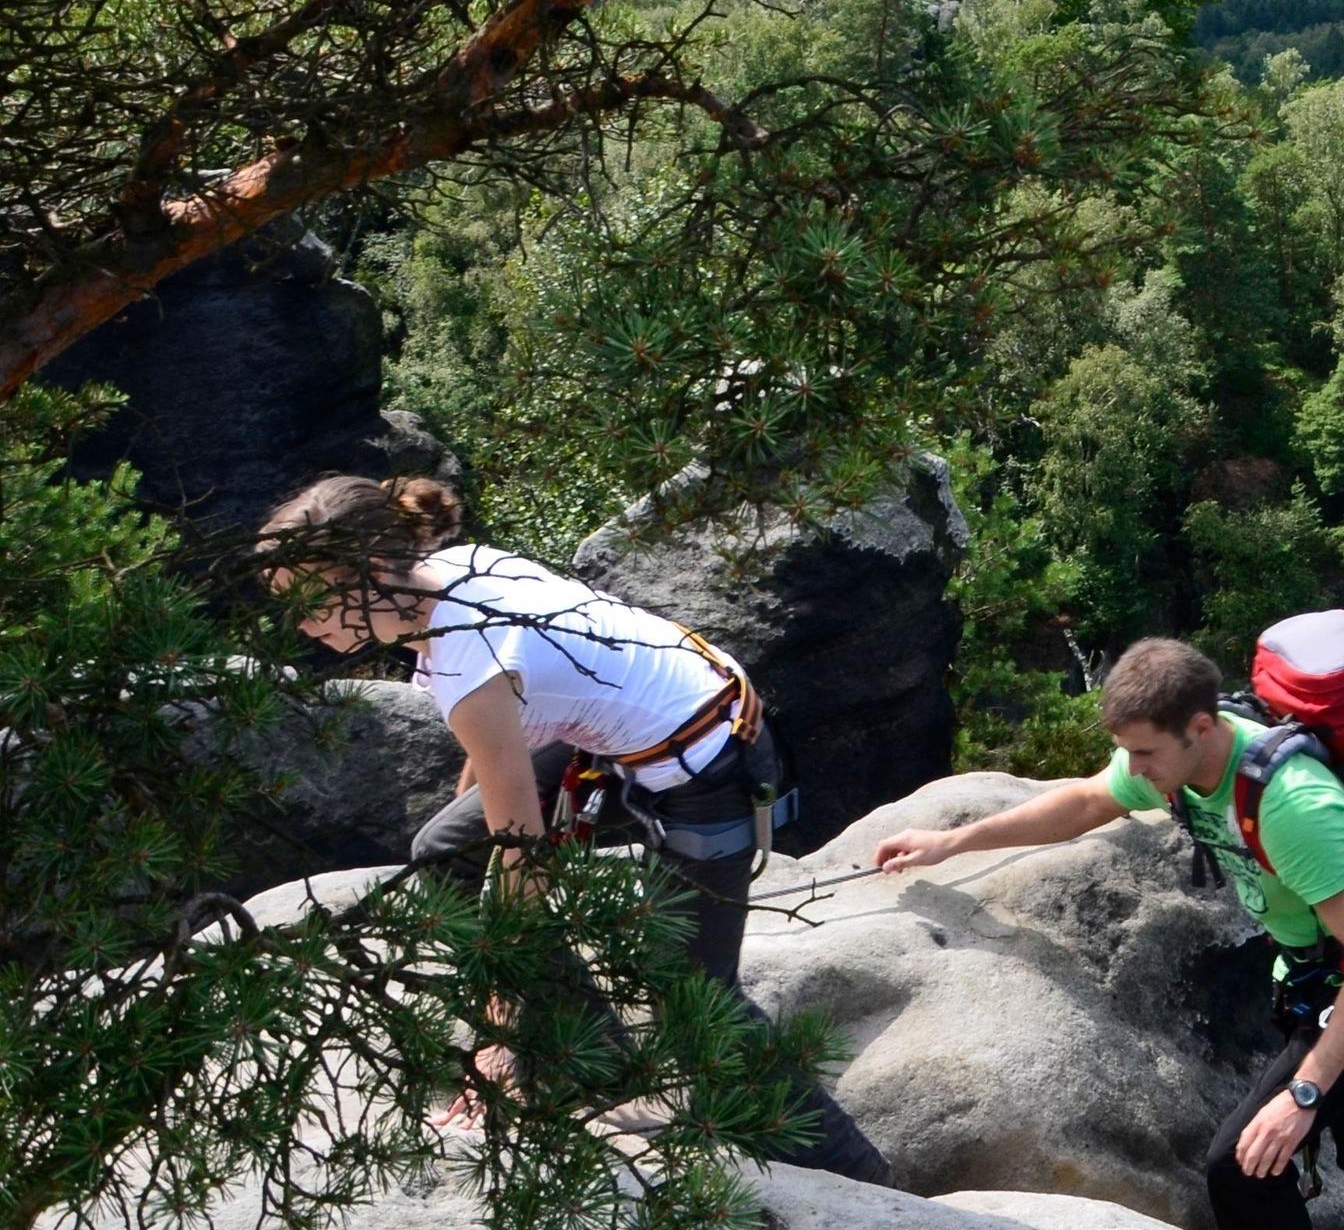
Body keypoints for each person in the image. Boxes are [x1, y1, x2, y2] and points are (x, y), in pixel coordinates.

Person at [257, 471, 889, 1183]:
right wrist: (485, 827)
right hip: (638, 723)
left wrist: (501, 1038)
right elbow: (496, 755)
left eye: (312, 602)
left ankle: (861, 1178)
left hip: (708, 757)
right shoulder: (457, 570)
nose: (302, 624)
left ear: (373, 573)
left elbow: (521, 854)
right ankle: (592, 1058)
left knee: (693, 1001)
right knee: (446, 848)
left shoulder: (470, 657)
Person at [867, 633, 1344, 1230]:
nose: (1134, 768)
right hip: (1318, 972)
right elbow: (1087, 802)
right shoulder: (1181, 762)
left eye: (1145, 753)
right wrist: (951, 841)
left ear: (1201, 728)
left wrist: (1303, 1094)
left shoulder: (1293, 806)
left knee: (1243, 1166)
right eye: (1128, 751)